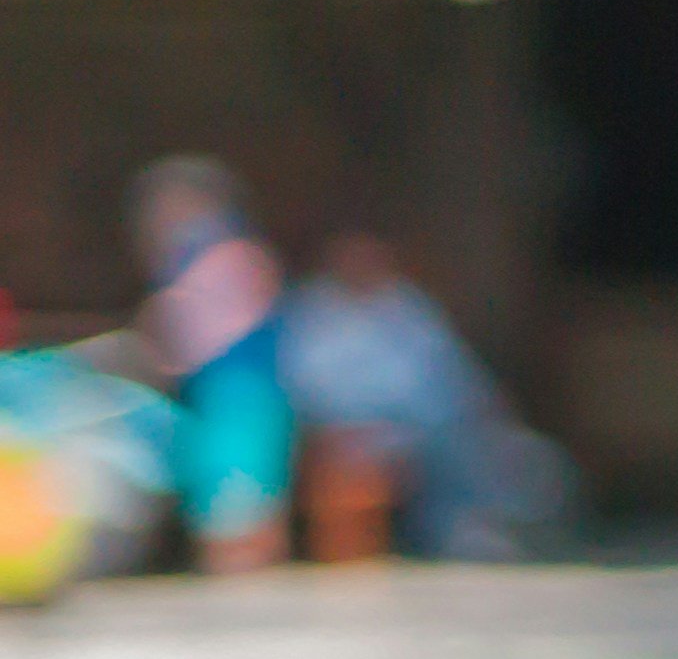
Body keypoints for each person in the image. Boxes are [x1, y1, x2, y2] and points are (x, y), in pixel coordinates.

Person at [271, 233, 566, 563]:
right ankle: (451, 531)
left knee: (487, 445)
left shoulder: (406, 306)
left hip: (423, 424)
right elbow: (309, 384)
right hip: (348, 429)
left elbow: (449, 369)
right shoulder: (313, 312)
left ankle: (470, 529)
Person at [120, 160, 290, 571]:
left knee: (242, 493)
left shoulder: (230, 254)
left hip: (243, 391)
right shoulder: (190, 258)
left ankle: (245, 569)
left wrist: (158, 343)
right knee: (219, 489)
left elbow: (201, 326)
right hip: (213, 394)